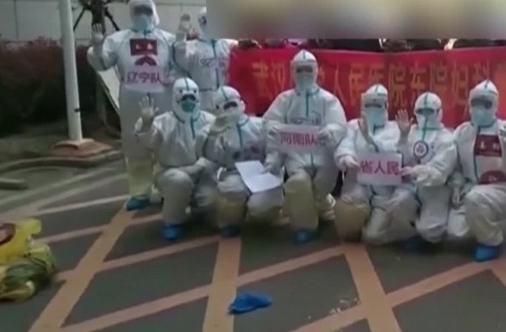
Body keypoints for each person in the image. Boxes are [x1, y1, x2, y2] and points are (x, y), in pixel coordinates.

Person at [87, 0, 177, 212]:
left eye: (146, 10)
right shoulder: (119, 40)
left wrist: (173, 77)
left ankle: (166, 188)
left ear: (153, 12)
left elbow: (181, 63)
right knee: (135, 143)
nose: (142, 15)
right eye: (138, 10)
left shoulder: (168, 39)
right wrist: (98, 47)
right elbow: (102, 62)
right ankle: (139, 191)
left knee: (165, 140)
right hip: (131, 98)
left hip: (163, 96)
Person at [446, 80, 506, 262]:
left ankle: (491, 240)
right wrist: (456, 186)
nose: (480, 109)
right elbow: (455, 165)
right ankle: (481, 222)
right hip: (470, 187)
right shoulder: (462, 132)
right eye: (476, 103)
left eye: (486, 104)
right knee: (456, 232)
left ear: (495, 106)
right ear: (469, 104)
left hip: (504, 188)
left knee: (475, 200)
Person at [262, 50, 347, 244]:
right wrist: (274, 150)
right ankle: (305, 226)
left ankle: (323, 204)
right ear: (292, 71)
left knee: (318, 191)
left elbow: (340, 125)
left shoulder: (328, 100)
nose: (304, 74)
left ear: (316, 70)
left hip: (324, 159)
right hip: (296, 158)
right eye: (299, 70)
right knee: (298, 184)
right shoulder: (284, 100)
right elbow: (270, 124)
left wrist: (331, 131)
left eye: (308, 69)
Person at [333, 84, 417, 244]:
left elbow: (403, 159)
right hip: (358, 187)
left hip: (384, 193)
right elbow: (345, 146)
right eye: (368, 105)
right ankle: (358, 223)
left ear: (386, 105)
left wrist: (402, 138)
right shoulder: (354, 126)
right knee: (347, 226)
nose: (372, 109)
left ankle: (402, 230)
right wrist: (346, 158)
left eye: (377, 105)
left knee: (373, 237)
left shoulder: (397, 129)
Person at [135, 78, 217, 241]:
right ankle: (172, 221)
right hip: (171, 172)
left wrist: (201, 165)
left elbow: (217, 151)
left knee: (214, 203)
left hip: (203, 173)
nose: (188, 101)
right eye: (183, 97)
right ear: (174, 97)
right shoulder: (163, 122)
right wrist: (146, 125)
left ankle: (199, 208)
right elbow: (149, 143)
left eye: (192, 96)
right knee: (179, 182)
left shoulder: (210, 120)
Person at [201, 86, 285, 237]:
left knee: (262, 207)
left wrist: (272, 161)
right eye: (225, 106)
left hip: (263, 172)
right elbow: (211, 157)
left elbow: (275, 147)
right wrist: (213, 135)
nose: (230, 110)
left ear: (241, 103)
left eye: (233, 104)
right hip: (234, 173)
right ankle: (230, 221)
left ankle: (263, 217)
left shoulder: (260, 125)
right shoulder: (215, 132)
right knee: (229, 191)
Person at [397, 92, 458, 249]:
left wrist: (415, 171)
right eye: (421, 111)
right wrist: (403, 138)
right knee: (397, 203)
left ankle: (433, 228)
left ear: (439, 112)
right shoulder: (410, 132)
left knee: (431, 231)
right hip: (411, 185)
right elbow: (402, 160)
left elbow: (439, 173)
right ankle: (414, 228)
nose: (424, 116)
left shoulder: (446, 138)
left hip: (435, 189)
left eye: (429, 111)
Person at [173, 7, 238, 112]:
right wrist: (181, 36)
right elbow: (181, 60)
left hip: (225, 101)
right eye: (206, 20)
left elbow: (246, 49)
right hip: (202, 103)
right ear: (201, 22)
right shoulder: (192, 47)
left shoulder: (227, 44)